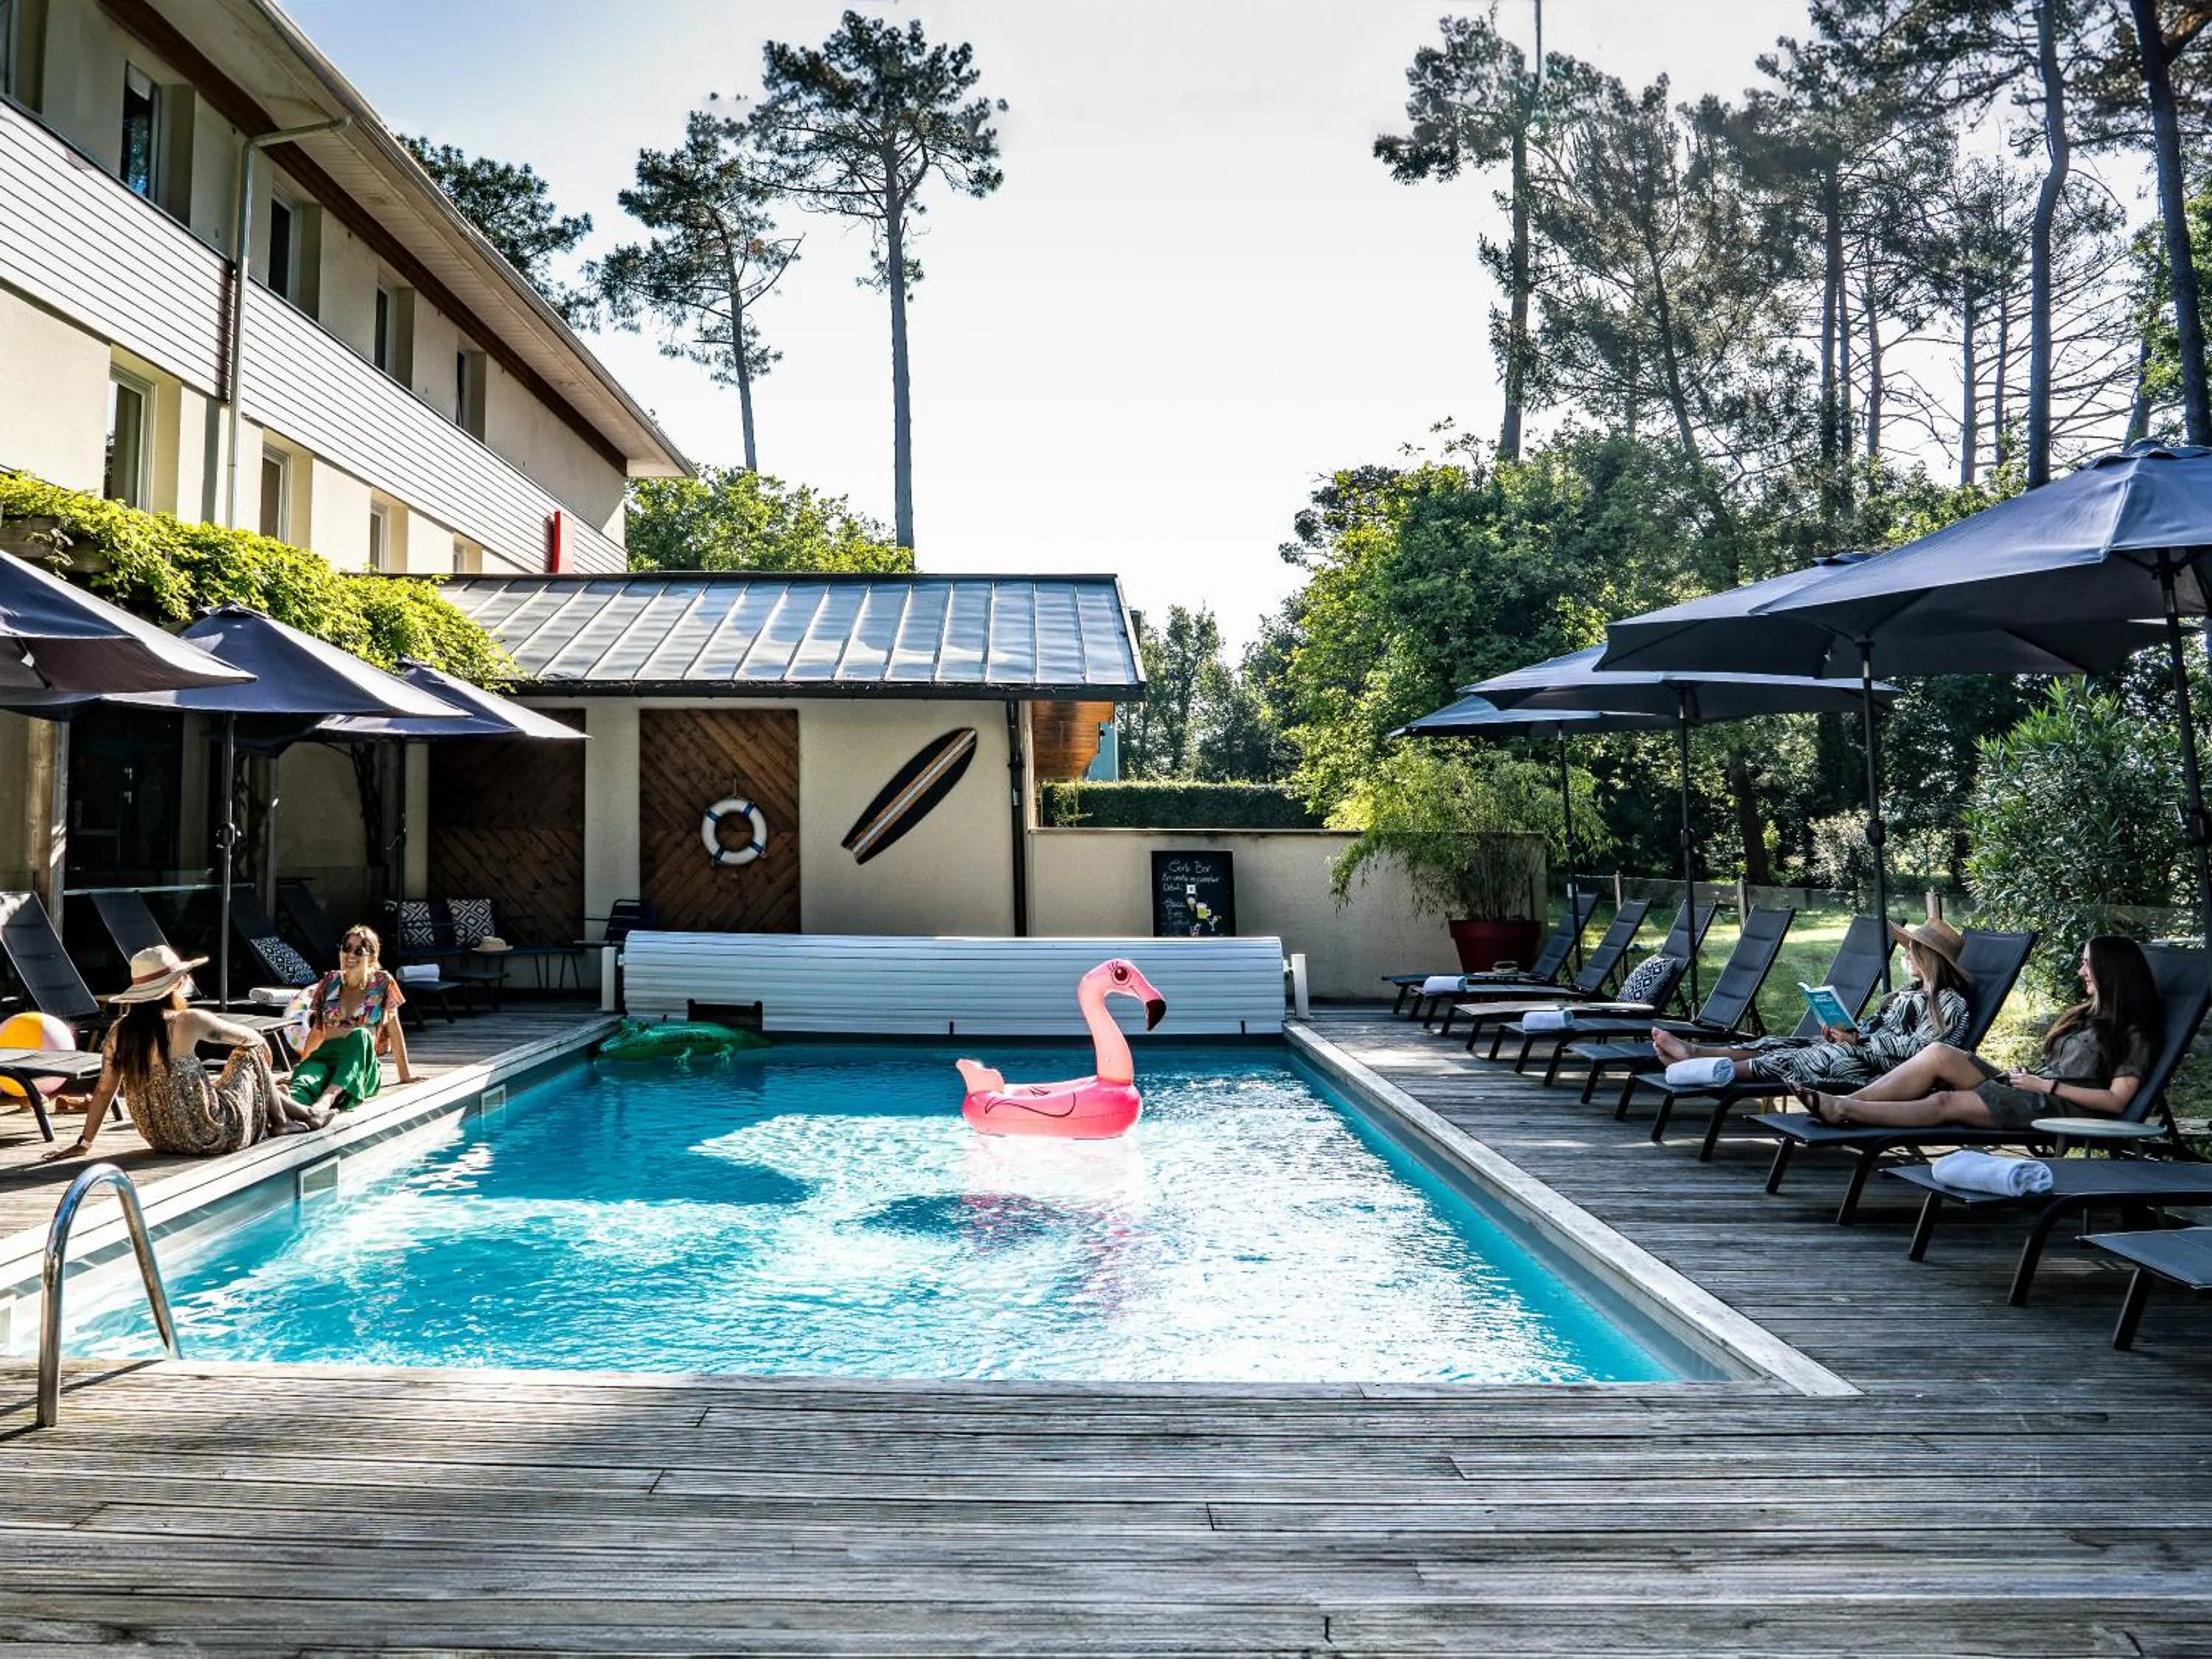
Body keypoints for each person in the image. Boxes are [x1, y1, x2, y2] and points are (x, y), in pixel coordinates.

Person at [1792, 935, 2162, 1129]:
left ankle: (1845, 1109)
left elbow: (2116, 1102)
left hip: (2061, 1107)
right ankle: (1851, 1101)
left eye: (2087, 965)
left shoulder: (2133, 1031)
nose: (2081, 972)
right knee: (1939, 1054)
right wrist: (2032, 1079)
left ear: (2111, 971)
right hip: (2034, 1089)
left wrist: (2046, 1087)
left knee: (1945, 1103)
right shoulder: (2086, 1015)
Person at [39, 945, 321, 1164]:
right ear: (174, 984)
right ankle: (283, 1121)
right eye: (182, 976)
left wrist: (85, 1143)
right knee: (248, 1053)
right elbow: (253, 1039)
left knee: (229, 1078)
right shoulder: (188, 1020)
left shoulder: (118, 1033)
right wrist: (262, 1057)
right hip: (211, 1134)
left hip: (161, 1139)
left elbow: (104, 1090)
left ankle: (304, 1113)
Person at [1650, 917, 1974, 1091]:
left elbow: (1922, 1051)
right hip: (1865, 1050)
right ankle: (1698, 1053)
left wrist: (1859, 1042)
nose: (1906, 956)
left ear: (1931, 959)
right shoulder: (1905, 993)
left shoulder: (1947, 1002)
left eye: (1913, 952)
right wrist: (1845, 1031)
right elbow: (1873, 1029)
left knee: (1816, 1056)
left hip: (1891, 1070)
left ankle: (1715, 1071)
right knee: (1787, 1043)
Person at [288, 924, 416, 1116]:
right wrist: (304, 1065)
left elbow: (394, 1030)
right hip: (326, 1057)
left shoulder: (382, 983)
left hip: (361, 1063)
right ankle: (289, 1112)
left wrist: (405, 1076)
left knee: (360, 1035)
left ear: (371, 957)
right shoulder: (329, 981)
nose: (351, 954)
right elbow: (318, 1030)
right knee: (304, 1082)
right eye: (347, 948)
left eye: (359, 950)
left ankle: (329, 1097)